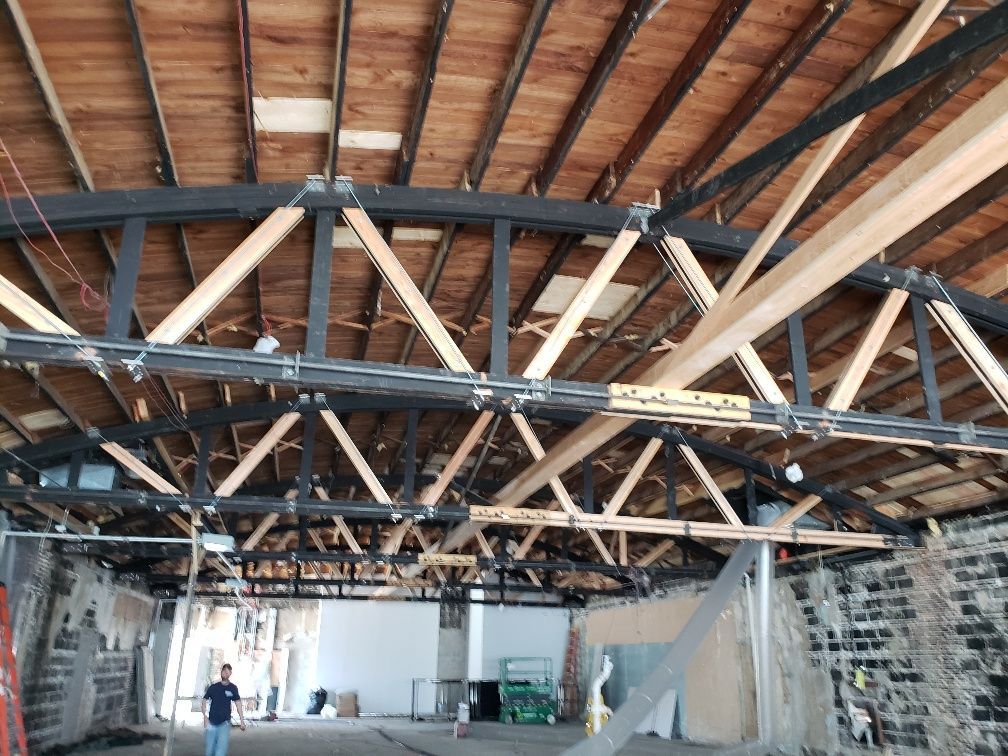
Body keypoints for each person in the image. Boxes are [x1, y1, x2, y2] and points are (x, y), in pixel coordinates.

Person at [201, 663, 246, 756]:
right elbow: (204, 701)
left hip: (224, 724)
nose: (226, 674)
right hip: (211, 723)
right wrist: (205, 717)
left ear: (230, 674)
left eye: (228, 672)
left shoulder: (233, 688)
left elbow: (238, 704)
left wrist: (242, 721)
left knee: (220, 752)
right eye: (224, 671)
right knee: (209, 751)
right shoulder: (214, 687)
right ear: (221, 672)